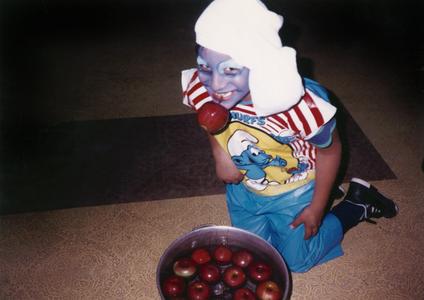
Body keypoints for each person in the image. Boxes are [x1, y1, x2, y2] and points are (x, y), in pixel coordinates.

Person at [181, 0, 398, 273]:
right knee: (253, 254)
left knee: (296, 261)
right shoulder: (200, 87)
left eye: (231, 70)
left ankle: (356, 203)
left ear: (260, 64)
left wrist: (318, 207)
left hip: (293, 186)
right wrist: (220, 151)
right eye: (204, 67)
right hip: (244, 187)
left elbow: (330, 151)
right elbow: (205, 113)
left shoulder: (303, 108)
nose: (215, 84)